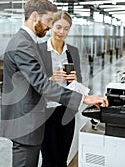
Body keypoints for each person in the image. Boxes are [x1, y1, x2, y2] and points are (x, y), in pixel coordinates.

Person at [0, 0, 108, 167]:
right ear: (35, 16)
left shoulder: (28, 42)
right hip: (27, 124)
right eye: (49, 20)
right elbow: (42, 84)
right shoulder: (24, 44)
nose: (50, 26)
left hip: (33, 121)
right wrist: (83, 98)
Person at [39, 11, 81, 167]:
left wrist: (75, 81)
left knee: (62, 160)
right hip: (46, 112)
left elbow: (78, 84)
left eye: (66, 29)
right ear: (50, 26)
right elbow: (31, 83)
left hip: (66, 111)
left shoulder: (73, 51)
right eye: (58, 27)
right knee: (49, 161)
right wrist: (50, 79)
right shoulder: (39, 50)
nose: (62, 32)